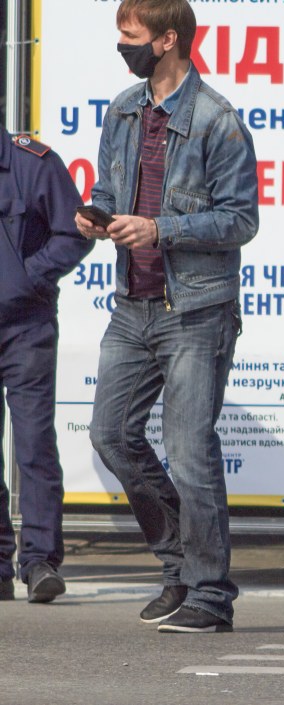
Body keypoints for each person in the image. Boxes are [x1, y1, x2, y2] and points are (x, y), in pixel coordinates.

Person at [75, 0, 258, 633]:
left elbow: (241, 220)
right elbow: (109, 189)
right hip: (132, 306)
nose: (120, 43)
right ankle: (179, 563)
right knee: (110, 436)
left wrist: (161, 229)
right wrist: (95, 216)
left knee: (190, 451)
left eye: (130, 33)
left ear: (167, 40)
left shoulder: (217, 119)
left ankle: (209, 594)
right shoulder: (123, 110)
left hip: (195, 310)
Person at [0, 126, 93, 604]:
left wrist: (28, 277)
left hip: (25, 328)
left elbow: (75, 233)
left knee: (34, 443)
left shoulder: (32, 161)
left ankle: (39, 563)